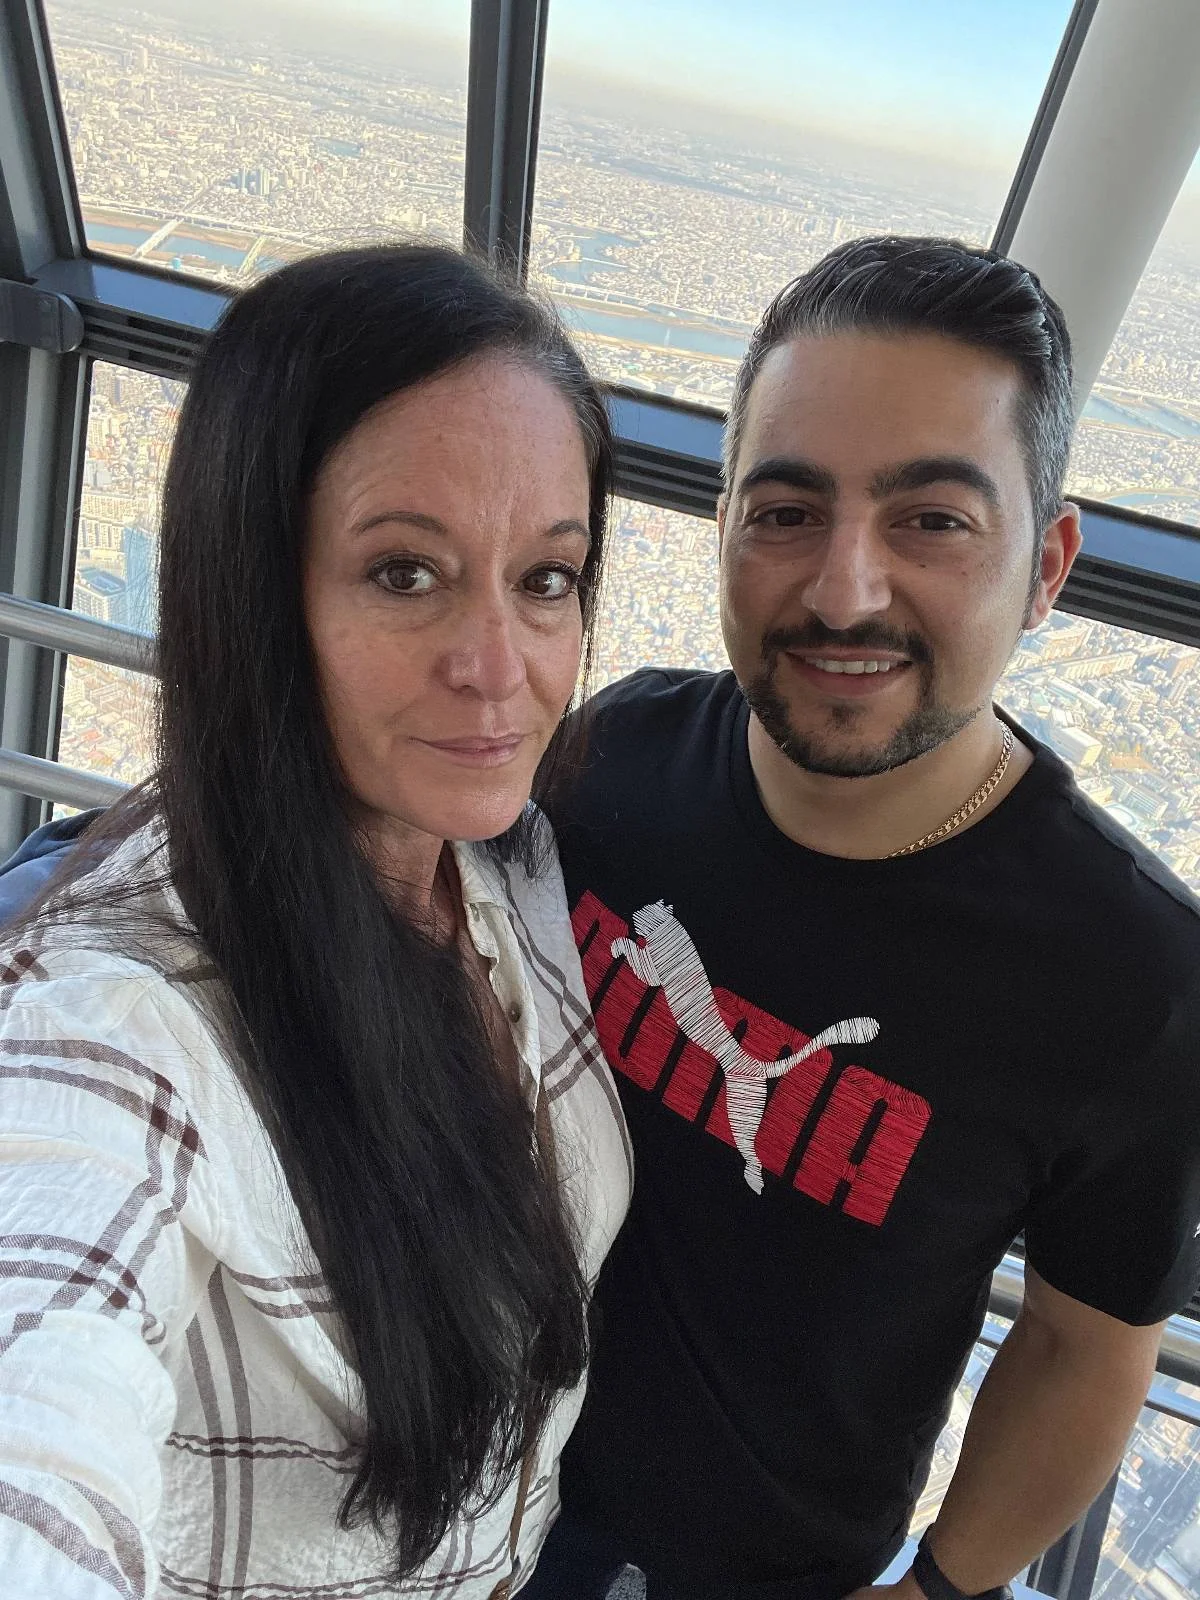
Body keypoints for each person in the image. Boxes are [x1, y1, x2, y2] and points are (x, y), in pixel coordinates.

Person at [523, 237, 1200, 1600]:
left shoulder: (1134, 980)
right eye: (785, 511)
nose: (844, 592)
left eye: (932, 521)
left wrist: (939, 1589)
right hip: (453, 1478)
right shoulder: (614, 758)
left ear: (1047, 566)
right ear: (722, 525)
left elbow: (1083, 1344)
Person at [0, 244, 632, 1598]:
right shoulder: (118, 1025)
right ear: (254, 589)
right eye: (405, 573)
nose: (500, 670)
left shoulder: (511, 857)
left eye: (547, 578)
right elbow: (44, 1336)